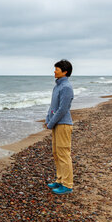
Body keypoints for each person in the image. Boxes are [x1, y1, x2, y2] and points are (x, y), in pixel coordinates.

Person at [44, 59, 74, 195]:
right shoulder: (57, 86)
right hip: (57, 124)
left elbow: (63, 109)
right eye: (55, 68)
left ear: (65, 72)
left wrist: (51, 123)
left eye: (57, 69)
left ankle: (67, 185)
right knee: (56, 153)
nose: (54, 71)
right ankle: (60, 180)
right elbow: (53, 106)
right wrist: (47, 119)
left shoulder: (66, 87)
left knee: (63, 154)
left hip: (63, 124)